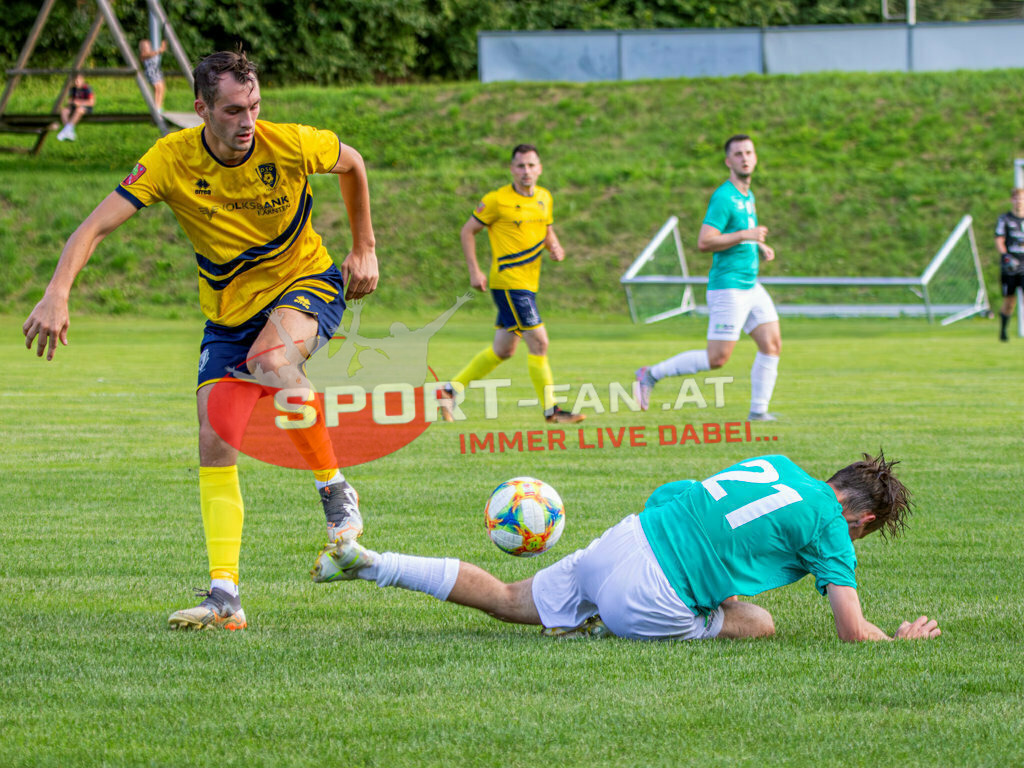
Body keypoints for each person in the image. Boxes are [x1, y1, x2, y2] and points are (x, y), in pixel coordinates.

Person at [23, 50, 379, 630]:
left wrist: (363, 247)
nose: (248, 122)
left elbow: (353, 163)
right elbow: (92, 226)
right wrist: (57, 292)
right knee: (215, 438)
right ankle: (225, 596)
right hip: (227, 315)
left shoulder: (287, 143)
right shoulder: (171, 158)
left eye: (255, 107)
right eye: (234, 110)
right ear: (200, 110)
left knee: (271, 359)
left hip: (306, 280)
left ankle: (333, 486)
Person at [317, 452, 941, 643]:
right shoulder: (832, 526)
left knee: (508, 599)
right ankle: (599, 624)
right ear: (858, 514)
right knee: (760, 622)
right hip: (649, 595)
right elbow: (853, 631)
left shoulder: (775, 462)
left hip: (625, 539)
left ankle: (372, 562)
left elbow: (675, 491)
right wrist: (901, 640)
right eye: (865, 531)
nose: (856, 539)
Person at [636, 134, 781, 421]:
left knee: (771, 344)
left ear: (755, 158)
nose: (745, 158)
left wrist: (757, 245)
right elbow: (705, 241)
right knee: (717, 359)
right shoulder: (724, 197)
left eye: (749, 152)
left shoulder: (746, 195)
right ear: (729, 161)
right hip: (729, 287)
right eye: (738, 154)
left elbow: (740, 236)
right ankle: (650, 374)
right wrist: (746, 236)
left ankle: (758, 412)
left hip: (750, 285)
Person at [438, 144, 584, 424]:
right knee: (540, 343)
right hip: (509, 284)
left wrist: (555, 246)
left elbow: (546, 229)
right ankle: (551, 410)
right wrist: (475, 271)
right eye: (520, 166)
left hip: (529, 285)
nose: (526, 171)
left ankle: (448, 391)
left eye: (531, 165)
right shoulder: (496, 200)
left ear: (540, 168)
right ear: (511, 169)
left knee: (503, 350)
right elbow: (468, 231)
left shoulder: (544, 198)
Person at [994, 188, 1024, 342]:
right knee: (1009, 301)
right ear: (1012, 200)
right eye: (1016, 199)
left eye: (1022, 199)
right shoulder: (1005, 219)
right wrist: (1006, 256)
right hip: (1010, 268)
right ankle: (1003, 331)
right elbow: (999, 239)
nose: (1019, 202)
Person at [56, 73, 95, 142]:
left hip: (85, 108)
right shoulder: (73, 88)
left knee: (79, 110)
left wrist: (79, 102)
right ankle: (69, 133)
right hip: (74, 107)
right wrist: (72, 102)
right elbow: (70, 100)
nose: (75, 83)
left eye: (77, 81)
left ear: (82, 80)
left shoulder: (87, 88)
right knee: (64, 111)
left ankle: (65, 132)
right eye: (74, 81)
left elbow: (91, 102)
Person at [139, 37, 168, 112]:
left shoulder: (152, 53)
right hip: (151, 72)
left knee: (162, 88)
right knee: (157, 88)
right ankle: (156, 107)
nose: (148, 47)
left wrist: (162, 46)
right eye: (146, 46)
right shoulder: (143, 55)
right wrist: (159, 50)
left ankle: (159, 106)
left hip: (156, 71)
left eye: (148, 46)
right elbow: (149, 54)